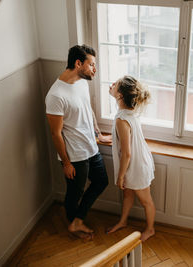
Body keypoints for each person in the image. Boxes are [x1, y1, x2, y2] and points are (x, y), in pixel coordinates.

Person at [45, 45, 111, 239]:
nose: (95, 69)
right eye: (92, 65)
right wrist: (66, 162)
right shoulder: (56, 96)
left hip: (91, 146)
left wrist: (98, 133)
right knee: (75, 193)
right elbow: (56, 133)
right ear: (78, 63)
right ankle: (74, 223)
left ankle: (77, 220)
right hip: (74, 155)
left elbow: (87, 108)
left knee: (101, 181)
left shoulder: (82, 81)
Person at [107, 75, 156, 242]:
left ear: (120, 95)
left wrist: (120, 176)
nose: (111, 84)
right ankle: (123, 221)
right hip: (132, 163)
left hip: (136, 165)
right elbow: (126, 138)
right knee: (127, 195)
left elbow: (127, 153)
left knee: (145, 201)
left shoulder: (122, 119)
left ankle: (150, 229)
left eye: (116, 84)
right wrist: (110, 138)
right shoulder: (128, 111)